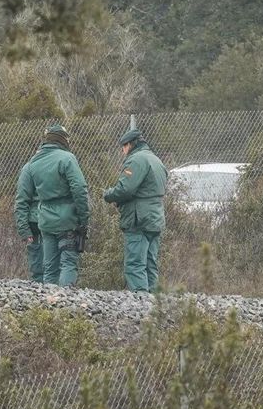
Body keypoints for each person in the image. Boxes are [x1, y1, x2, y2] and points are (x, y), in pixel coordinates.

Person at [15, 124, 89, 286]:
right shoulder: (67, 158)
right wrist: (84, 218)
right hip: (67, 220)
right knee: (68, 262)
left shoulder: (33, 163)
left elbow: (21, 198)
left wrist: (23, 228)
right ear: (63, 140)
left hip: (45, 221)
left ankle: (48, 300)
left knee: (49, 268)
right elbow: (79, 188)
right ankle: (65, 298)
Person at [103, 129, 168, 292]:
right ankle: (154, 301)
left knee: (135, 264)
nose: (122, 151)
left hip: (138, 220)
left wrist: (109, 194)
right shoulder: (156, 159)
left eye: (123, 146)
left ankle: (140, 299)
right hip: (155, 219)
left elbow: (125, 189)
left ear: (130, 145)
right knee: (150, 264)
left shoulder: (137, 160)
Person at [14, 161, 44, 282]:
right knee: (39, 268)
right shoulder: (64, 162)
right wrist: (24, 230)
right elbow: (22, 201)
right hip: (37, 224)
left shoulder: (29, 167)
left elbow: (21, 201)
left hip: (38, 222)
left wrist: (24, 229)